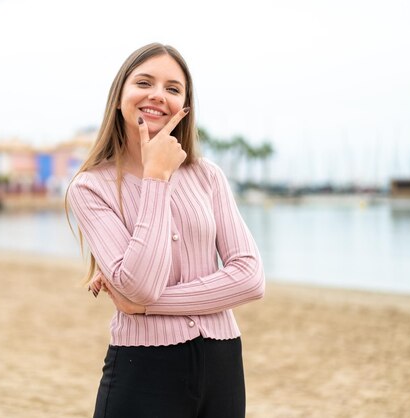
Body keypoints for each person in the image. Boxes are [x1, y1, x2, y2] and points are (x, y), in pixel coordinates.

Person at [66, 43, 265, 418]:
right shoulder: (90, 187)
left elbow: (250, 278)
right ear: (119, 97)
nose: (158, 95)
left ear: (184, 108)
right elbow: (140, 282)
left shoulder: (208, 176)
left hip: (222, 363)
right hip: (142, 370)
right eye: (144, 82)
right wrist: (156, 177)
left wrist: (142, 306)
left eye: (173, 89)